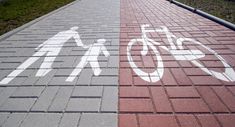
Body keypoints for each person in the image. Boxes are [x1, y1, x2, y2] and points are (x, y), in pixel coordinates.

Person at [0, 26, 87, 84]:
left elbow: (51, 38)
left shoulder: (62, 32)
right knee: (47, 60)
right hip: (55, 46)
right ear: (74, 29)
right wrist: (83, 46)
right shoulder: (74, 33)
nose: (74, 28)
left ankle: (12, 76)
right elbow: (78, 41)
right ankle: (39, 75)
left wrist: (41, 45)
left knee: (34, 59)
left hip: (50, 45)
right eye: (75, 27)